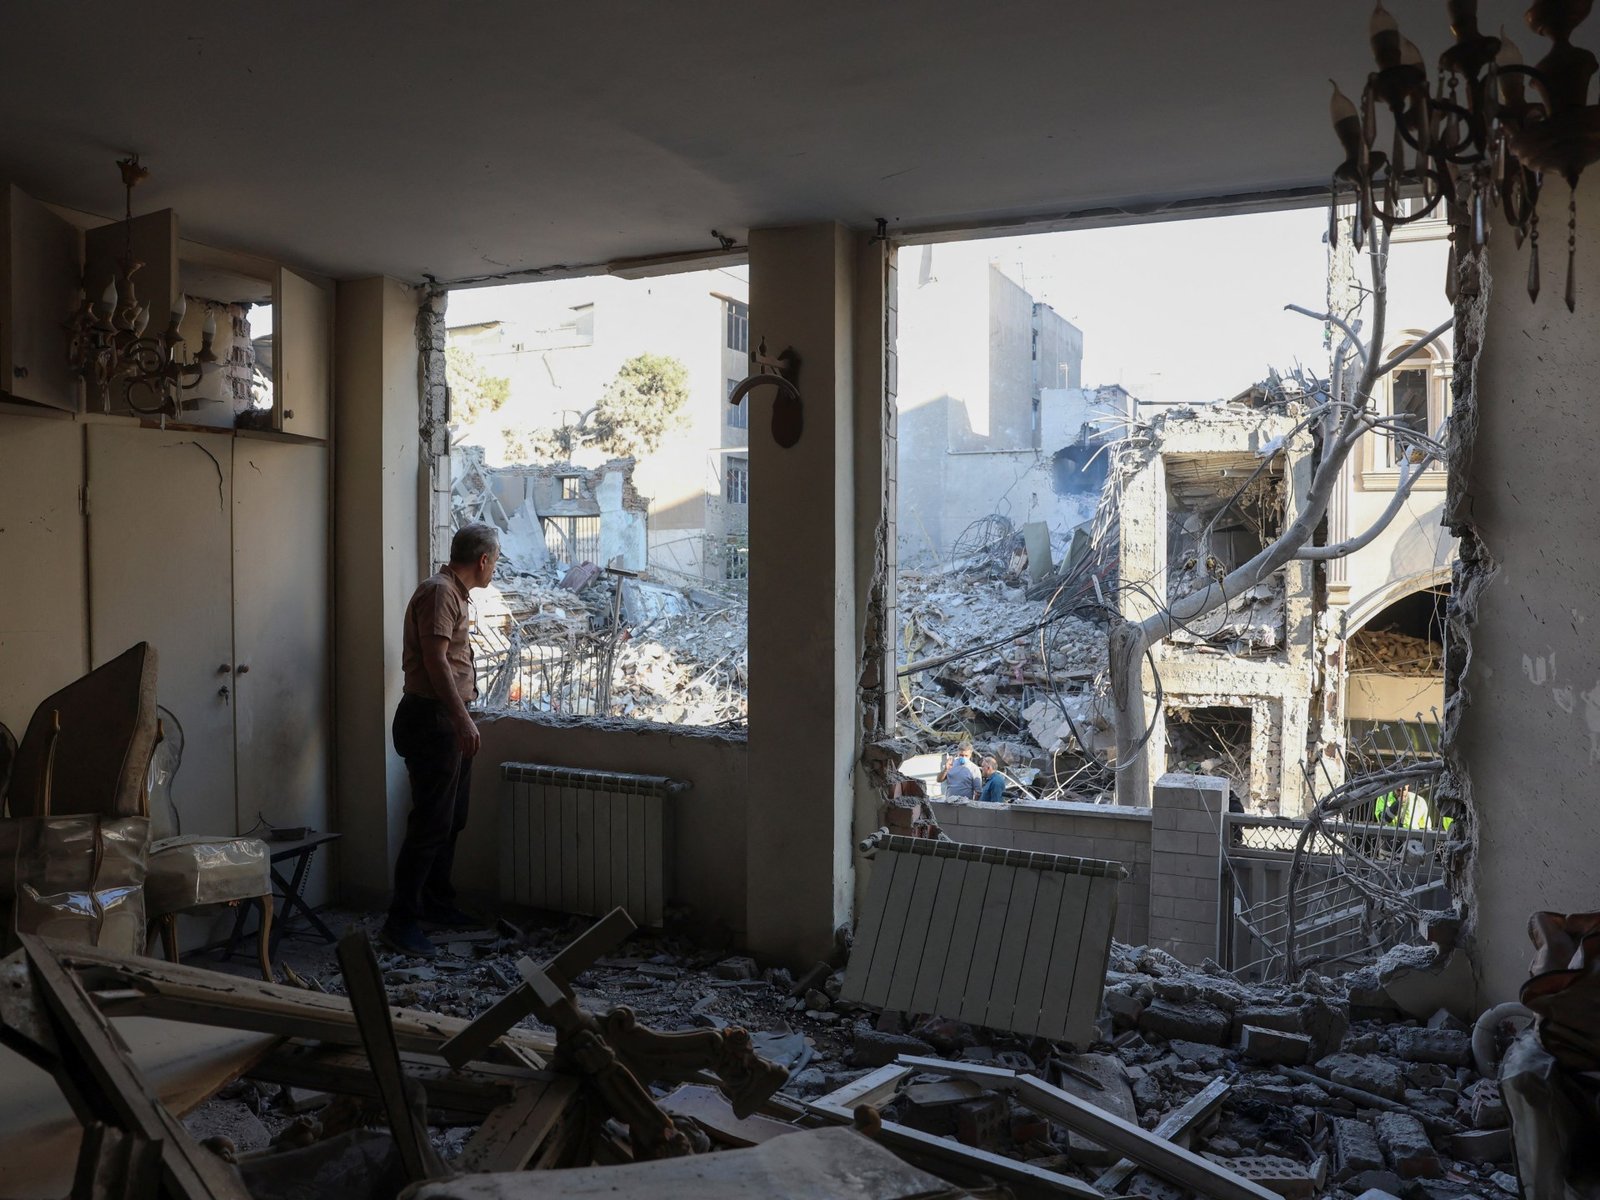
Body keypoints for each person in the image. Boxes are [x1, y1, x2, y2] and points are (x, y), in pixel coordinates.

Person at [381, 523, 500, 958]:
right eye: (495, 561)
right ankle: (400, 922)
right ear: (483, 560)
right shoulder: (439, 592)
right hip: (433, 720)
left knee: (452, 818)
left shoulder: (453, 593)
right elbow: (435, 661)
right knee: (430, 823)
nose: (495, 569)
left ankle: (435, 902)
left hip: (445, 720)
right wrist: (462, 719)